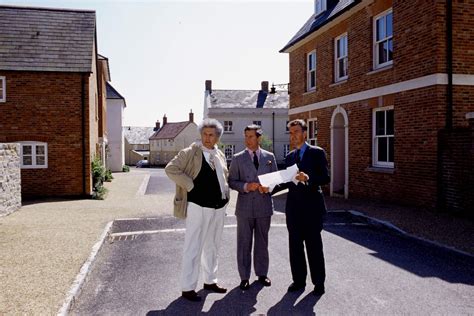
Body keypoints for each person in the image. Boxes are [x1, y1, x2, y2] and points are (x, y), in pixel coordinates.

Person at [165, 118, 230, 302]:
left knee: (213, 246)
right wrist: (190, 186)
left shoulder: (220, 154)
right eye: (204, 134)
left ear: (217, 137)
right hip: (198, 206)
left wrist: (225, 198)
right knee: (193, 246)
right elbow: (171, 169)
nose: (207, 138)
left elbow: (224, 178)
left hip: (218, 207)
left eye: (211, 135)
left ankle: (210, 281)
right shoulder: (191, 152)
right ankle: (188, 287)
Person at [274, 119, 330, 296]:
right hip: (294, 210)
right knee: (295, 247)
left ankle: (319, 283)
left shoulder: (317, 153)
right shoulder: (290, 157)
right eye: (290, 132)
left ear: (305, 133)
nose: (293, 135)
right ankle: (298, 281)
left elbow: (325, 178)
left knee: (314, 248)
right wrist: (267, 188)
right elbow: (286, 181)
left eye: (296, 131)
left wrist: (309, 178)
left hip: (313, 209)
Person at [228, 125, 278, 291]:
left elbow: (276, 181)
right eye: (246, 136)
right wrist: (246, 186)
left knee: (262, 242)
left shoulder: (269, 157)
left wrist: (269, 188)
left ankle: (262, 274)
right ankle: (244, 277)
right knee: (244, 243)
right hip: (244, 208)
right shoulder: (237, 158)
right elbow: (232, 181)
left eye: (251, 136)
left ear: (258, 138)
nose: (247, 140)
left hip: (264, 207)